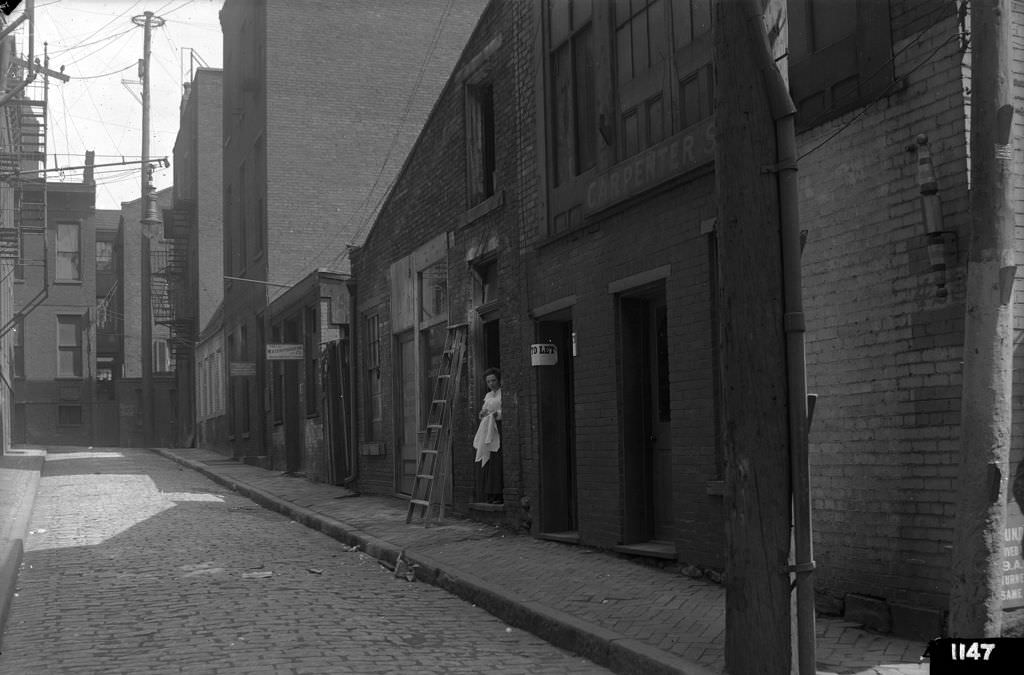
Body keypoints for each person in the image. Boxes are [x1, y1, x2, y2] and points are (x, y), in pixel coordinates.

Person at [473, 367, 503, 504]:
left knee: (497, 461)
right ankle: (490, 494)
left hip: (499, 430)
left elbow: (504, 410)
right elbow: (484, 410)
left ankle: (498, 494)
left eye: (494, 380)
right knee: (489, 460)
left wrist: (497, 415)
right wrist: (483, 414)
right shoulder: (489, 396)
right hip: (489, 429)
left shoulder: (502, 394)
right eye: (488, 381)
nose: (491, 383)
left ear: (499, 380)